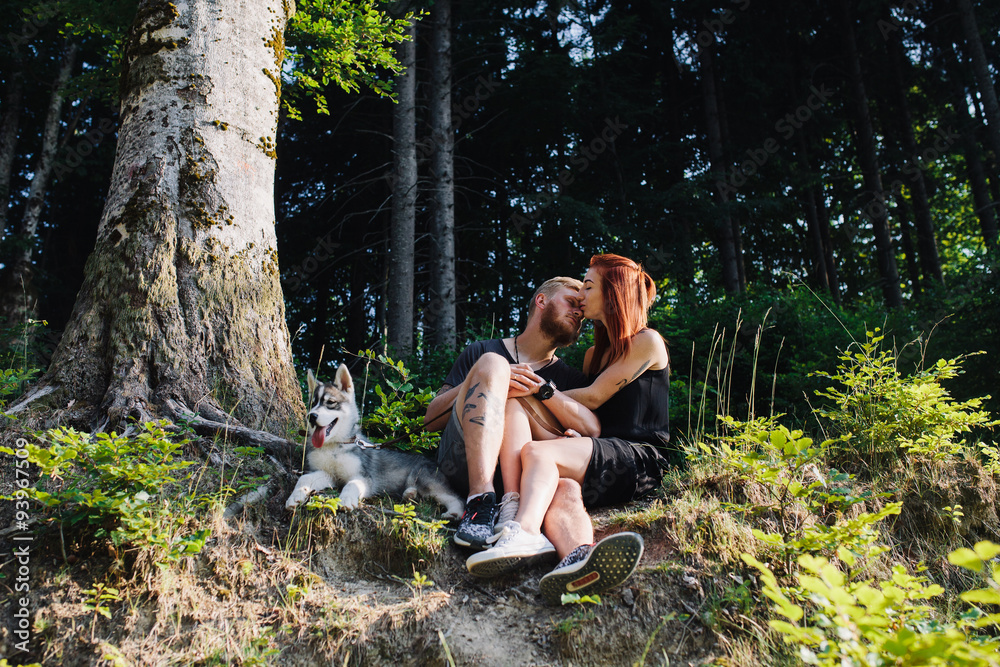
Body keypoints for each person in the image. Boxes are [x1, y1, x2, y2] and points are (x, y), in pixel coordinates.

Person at [466, 254, 672, 604]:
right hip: (598, 452)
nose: (581, 296)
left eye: (589, 286)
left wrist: (539, 389)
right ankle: (579, 557)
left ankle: (524, 530)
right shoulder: (593, 355)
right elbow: (584, 415)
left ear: (613, 292)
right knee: (560, 487)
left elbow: (592, 397)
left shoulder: (647, 342)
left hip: (640, 459)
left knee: (537, 451)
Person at [425, 277, 601, 550]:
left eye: (582, 310)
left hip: (527, 481)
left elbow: (592, 430)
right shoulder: (482, 351)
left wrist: (540, 392)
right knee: (495, 365)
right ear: (541, 300)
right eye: (571, 302)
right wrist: (486, 380)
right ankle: (479, 500)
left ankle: (576, 558)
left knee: (566, 488)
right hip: (462, 462)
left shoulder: (567, 377)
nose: (579, 313)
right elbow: (431, 420)